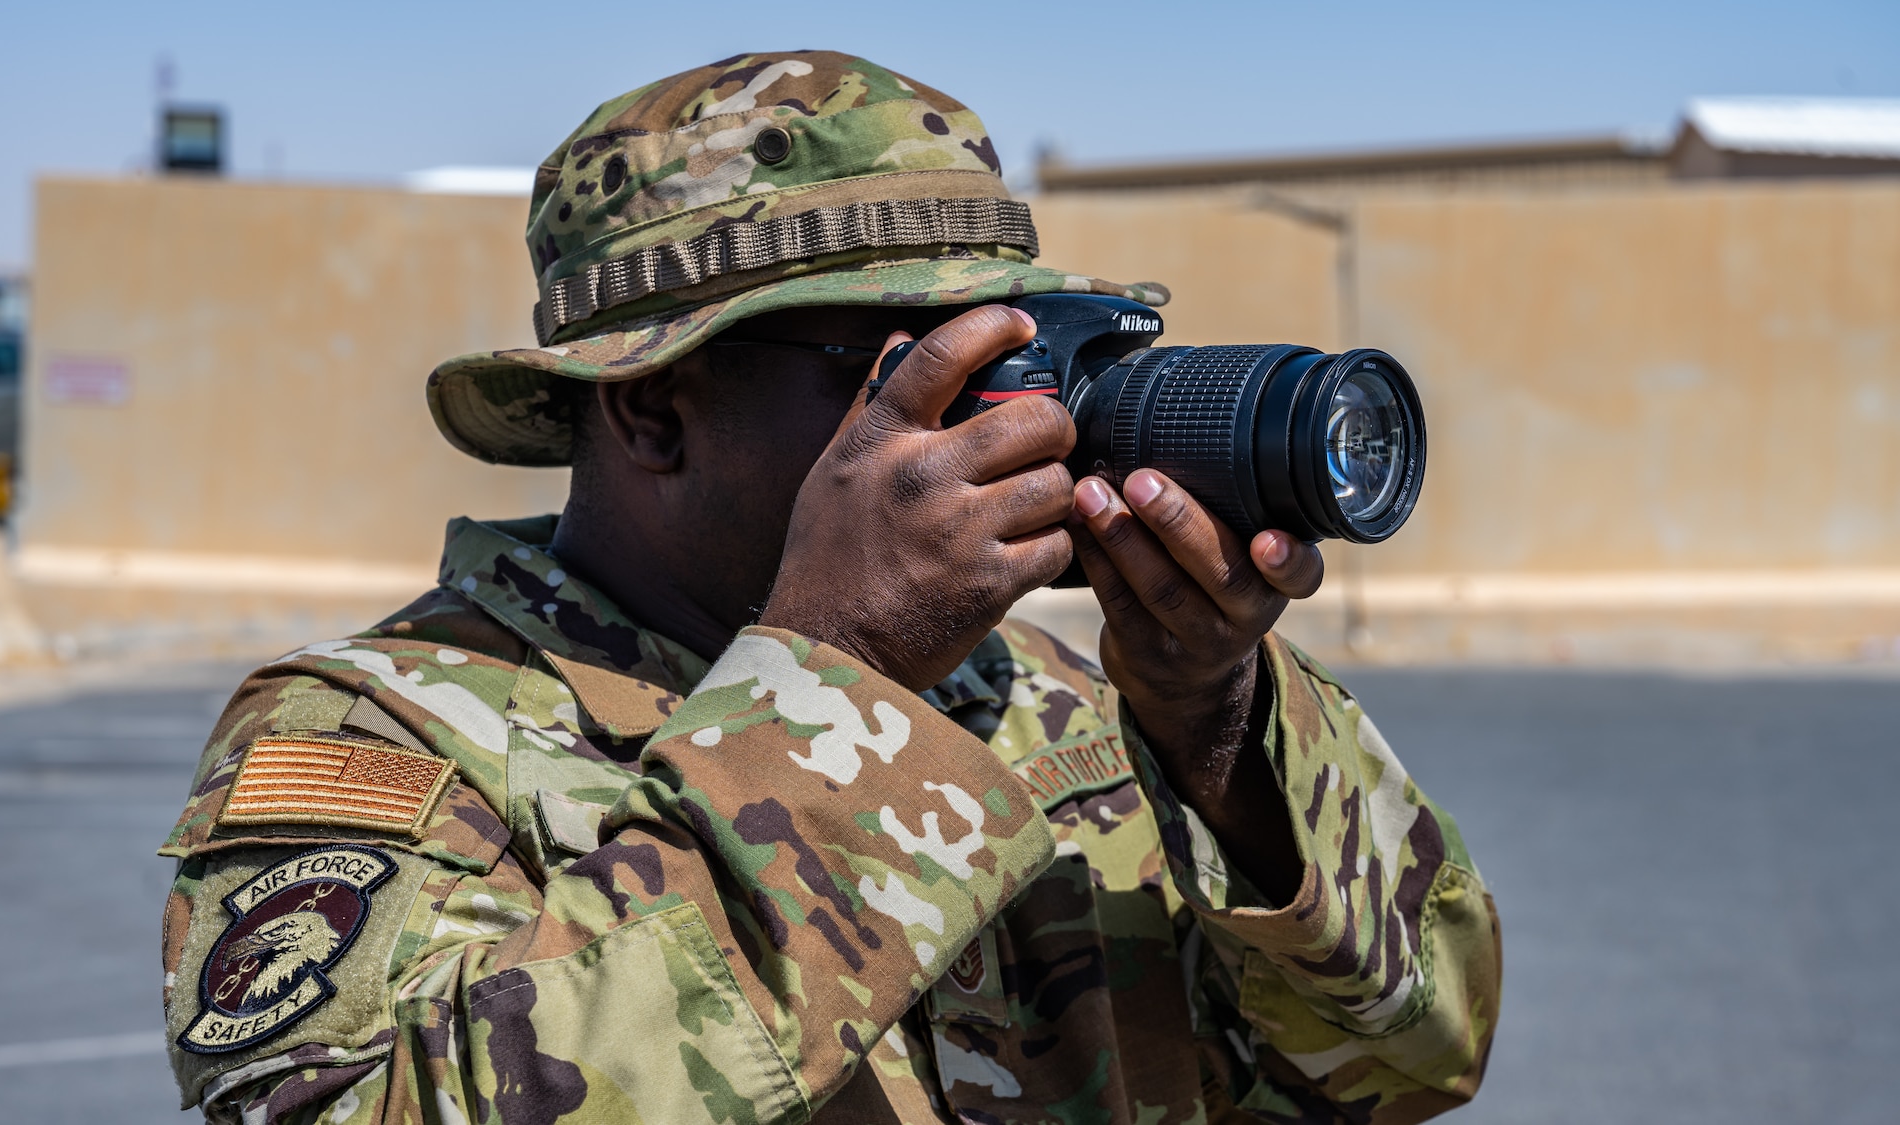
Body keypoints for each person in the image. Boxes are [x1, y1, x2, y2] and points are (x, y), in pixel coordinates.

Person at [158, 51, 1499, 1125]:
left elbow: (1417, 1059)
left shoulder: (1062, 709)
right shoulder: (375, 742)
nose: (1003, 421)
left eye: (1017, 355)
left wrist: (1215, 736)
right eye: (905, 360)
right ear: (654, 411)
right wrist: (835, 670)